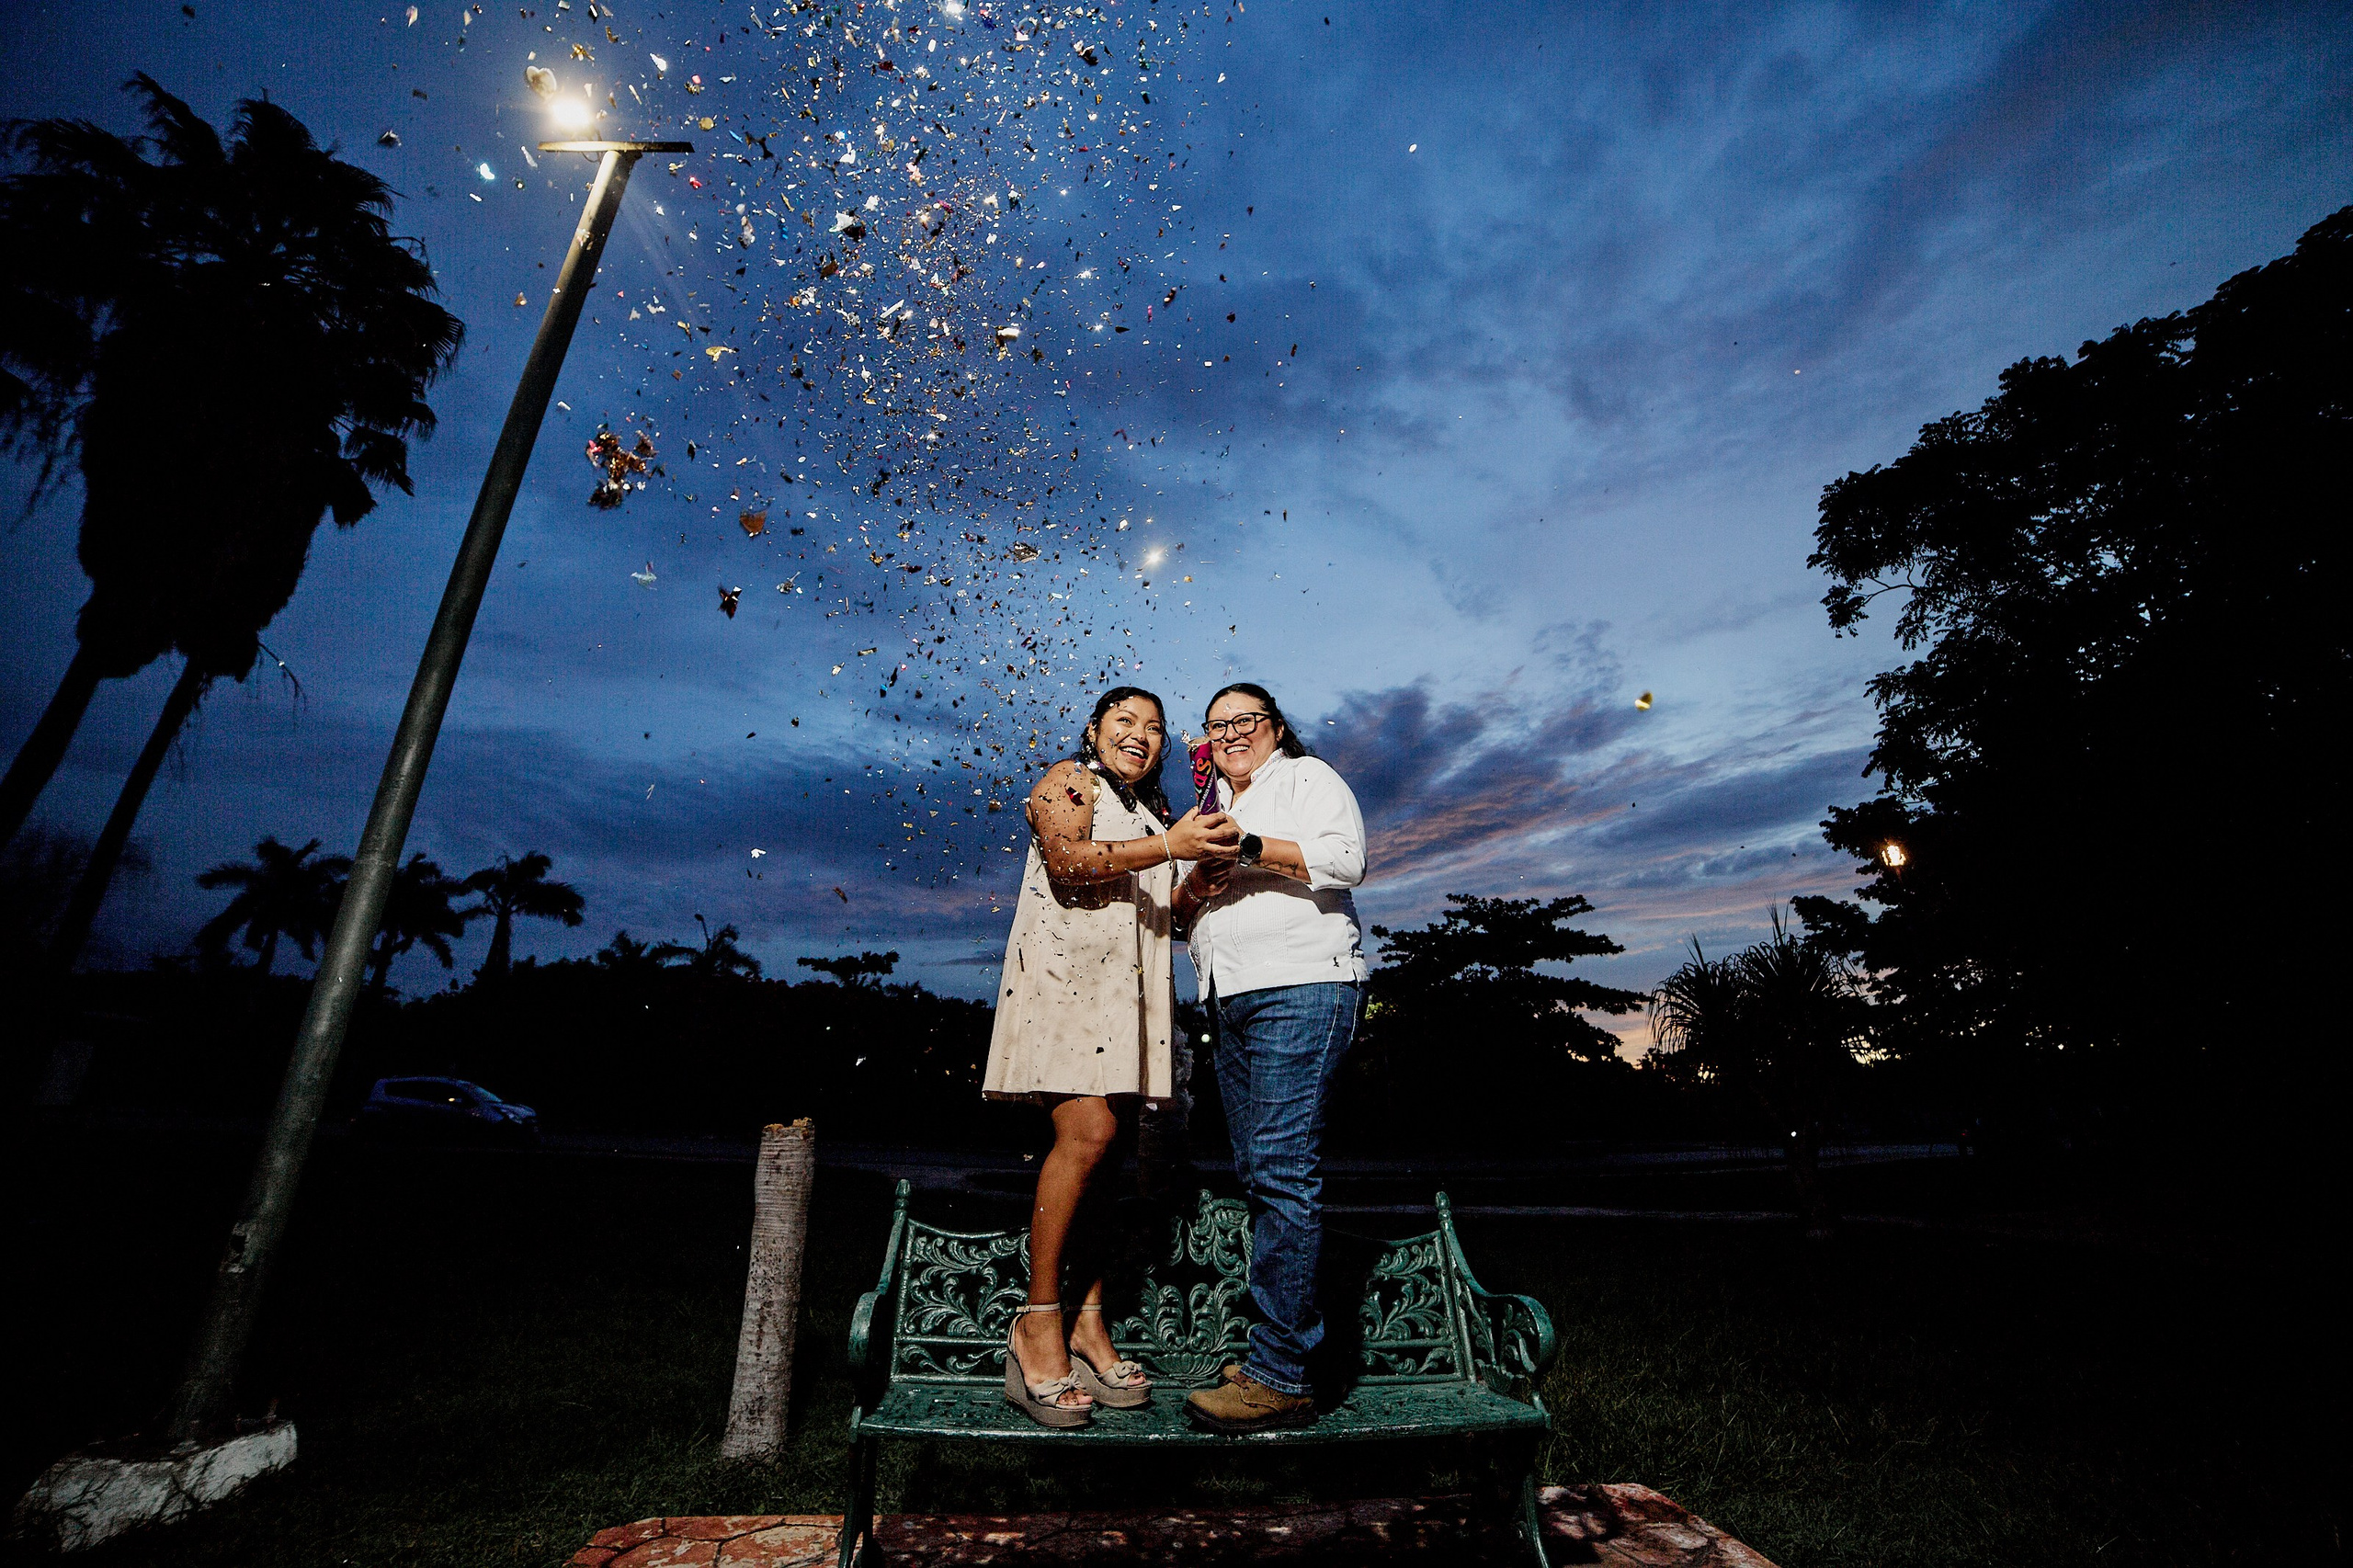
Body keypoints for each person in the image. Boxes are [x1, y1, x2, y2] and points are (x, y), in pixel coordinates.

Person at [983, 686, 1240, 1426]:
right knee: (1087, 1137)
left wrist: (1197, 879)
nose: (1142, 734)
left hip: (1125, 1001)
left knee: (1109, 1157)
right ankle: (1037, 1322)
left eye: (1155, 728)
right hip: (1066, 987)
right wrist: (1172, 847)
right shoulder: (1068, 780)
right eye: (1125, 720)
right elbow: (1067, 862)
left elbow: (1167, 917)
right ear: (1093, 730)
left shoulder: (1154, 816)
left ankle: (1089, 1320)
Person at [1173, 681, 1369, 1434]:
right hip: (1230, 998)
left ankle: (1281, 1374)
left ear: (1276, 727)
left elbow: (1347, 862)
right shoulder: (1206, 809)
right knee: (1259, 1171)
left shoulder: (1307, 779)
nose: (1230, 734)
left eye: (1245, 720)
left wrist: (1250, 849)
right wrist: (1202, 875)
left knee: (1283, 1168)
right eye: (1217, 726)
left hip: (1304, 986)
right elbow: (1179, 917)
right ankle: (1279, 1348)